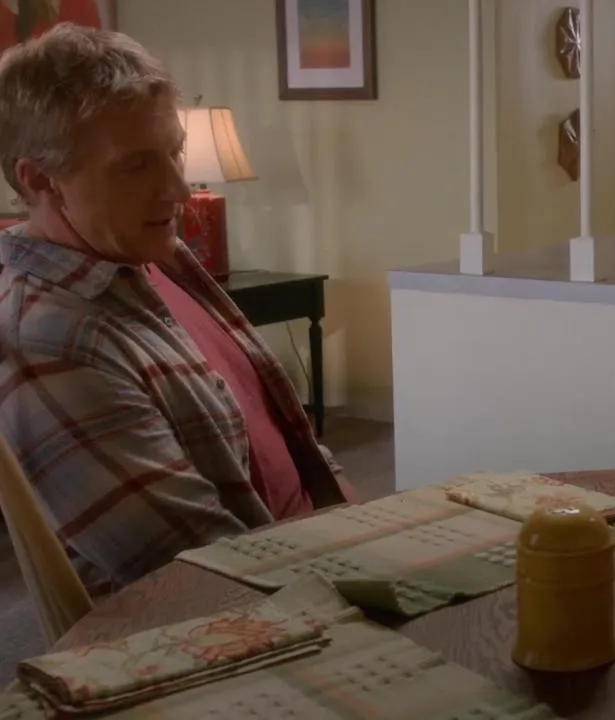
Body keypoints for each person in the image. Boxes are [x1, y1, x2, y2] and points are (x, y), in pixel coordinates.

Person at [0, 24, 354, 594]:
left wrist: (364, 526)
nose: (180, 191)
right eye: (136, 165)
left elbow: (289, 438)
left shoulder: (155, 256)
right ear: (41, 179)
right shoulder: (48, 341)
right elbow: (203, 576)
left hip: (321, 553)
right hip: (261, 617)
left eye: (175, 153)